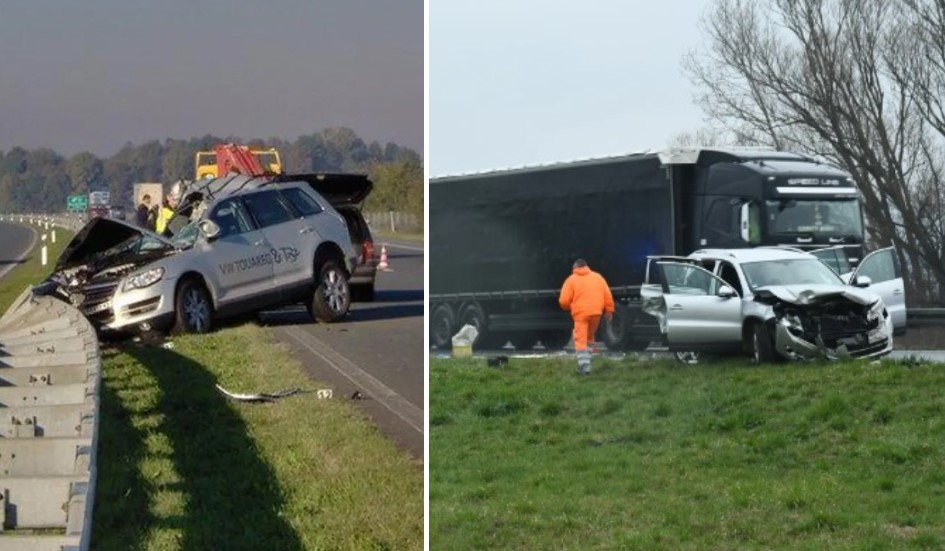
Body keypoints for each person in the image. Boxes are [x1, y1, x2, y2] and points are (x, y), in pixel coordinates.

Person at [558, 259, 615, 375]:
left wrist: (568, 307)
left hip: (580, 314)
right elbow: (607, 295)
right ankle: (586, 362)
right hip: (596, 313)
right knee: (589, 338)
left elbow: (563, 301)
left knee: (580, 339)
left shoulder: (571, 279)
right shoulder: (598, 277)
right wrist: (609, 311)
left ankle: (584, 367)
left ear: (575, 268)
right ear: (586, 266)